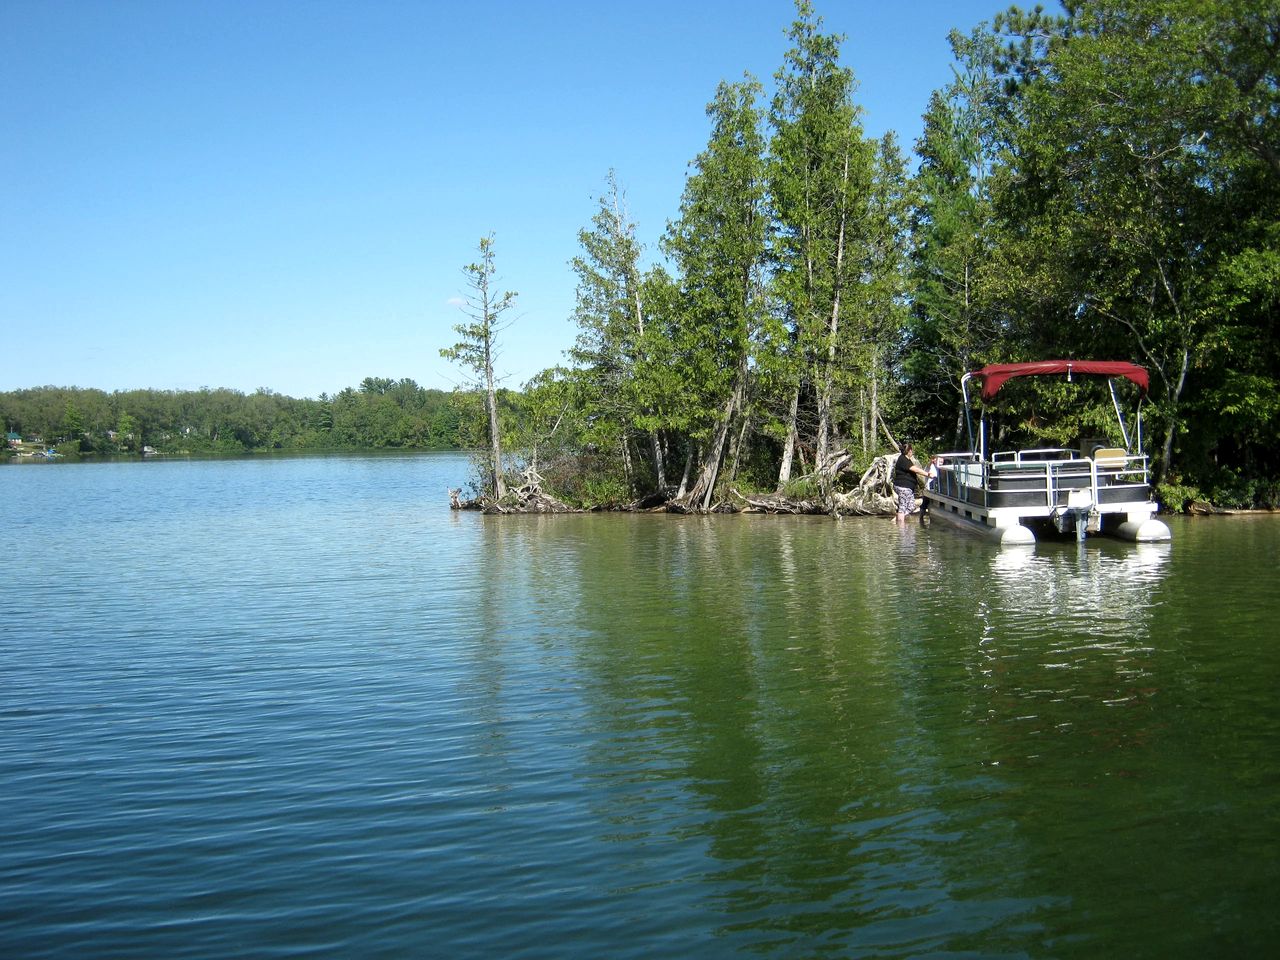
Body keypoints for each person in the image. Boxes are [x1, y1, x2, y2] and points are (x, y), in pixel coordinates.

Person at [892, 442, 930, 523]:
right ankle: (901, 526)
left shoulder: (906, 459)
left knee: (911, 507)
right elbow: (915, 469)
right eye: (912, 451)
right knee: (903, 507)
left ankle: (897, 519)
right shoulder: (903, 459)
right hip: (903, 487)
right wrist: (928, 474)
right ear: (909, 451)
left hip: (907, 487)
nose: (912, 452)